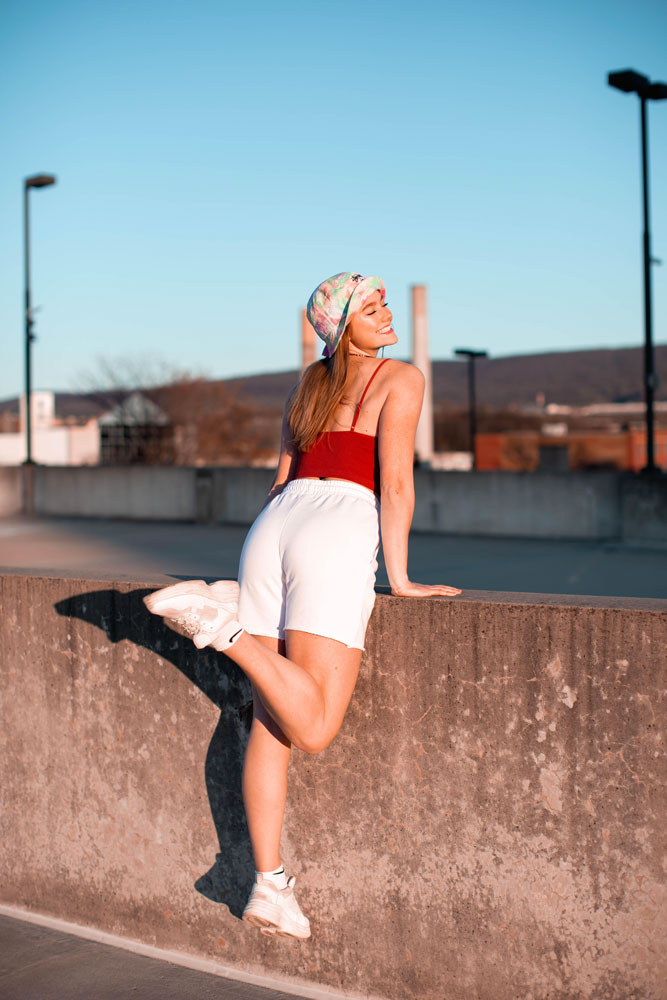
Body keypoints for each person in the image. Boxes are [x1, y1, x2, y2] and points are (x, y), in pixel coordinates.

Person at [144, 271, 462, 939]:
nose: (385, 313)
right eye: (371, 308)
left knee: (274, 723)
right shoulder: (399, 379)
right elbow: (396, 484)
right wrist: (399, 578)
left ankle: (270, 884)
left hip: (274, 529)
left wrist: (261, 569)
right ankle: (226, 629)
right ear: (344, 326)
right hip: (337, 524)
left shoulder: (307, 387)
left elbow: (280, 481)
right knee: (314, 728)